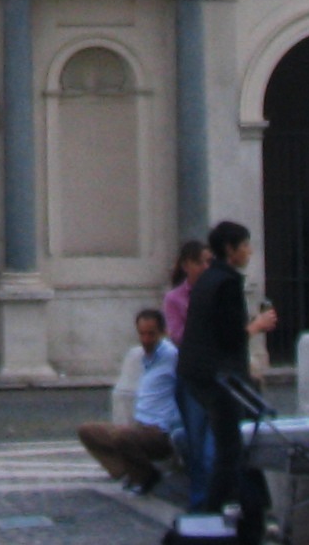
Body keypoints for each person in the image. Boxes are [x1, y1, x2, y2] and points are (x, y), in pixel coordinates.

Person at [176, 220, 277, 517]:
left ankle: (248, 504)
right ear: (230, 250)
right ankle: (215, 511)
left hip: (197, 372)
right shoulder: (228, 282)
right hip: (219, 376)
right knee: (231, 448)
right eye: (244, 245)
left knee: (233, 442)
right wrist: (258, 326)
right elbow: (231, 337)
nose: (249, 251)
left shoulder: (208, 279)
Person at [78, 309, 185, 495]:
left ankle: (147, 476)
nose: (145, 339)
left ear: (162, 332)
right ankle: (128, 472)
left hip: (160, 431)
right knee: (88, 431)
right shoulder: (146, 357)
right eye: (142, 334)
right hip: (139, 426)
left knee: (122, 437)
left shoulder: (171, 356)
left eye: (151, 334)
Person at [162, 240, 208, 345]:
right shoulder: (173, 298)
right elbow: (177, 335)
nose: (205, 267)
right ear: (185, 266)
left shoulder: (221, 292)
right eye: (199, 263)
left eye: (209, 262)